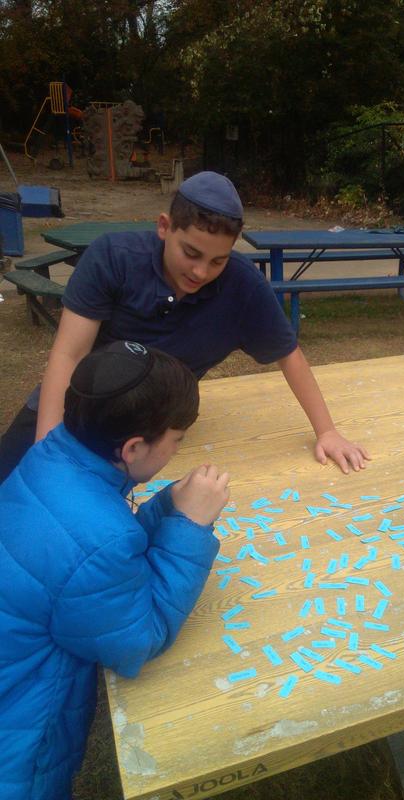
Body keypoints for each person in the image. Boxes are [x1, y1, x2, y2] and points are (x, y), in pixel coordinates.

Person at [0, 171, 369, 484]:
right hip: (78, 403)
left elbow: (290, 356)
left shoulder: (243, 287)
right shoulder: (112, 257)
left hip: (152, 428)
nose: (200, 272)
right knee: (15, 483)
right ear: (164, 227)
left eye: (217, 261)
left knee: (98, 523)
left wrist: (327, 431)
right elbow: (69, 353)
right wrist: (46, 447)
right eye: (191, 253)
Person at [0, 341, 230, 799]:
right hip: (17, 741)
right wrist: (188, 526)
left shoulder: (54, 454)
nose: (178, 448)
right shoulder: (101, 541)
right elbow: (138, 638)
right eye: (177, 439)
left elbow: (90, 563)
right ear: (132, 447)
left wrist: (166, 504)